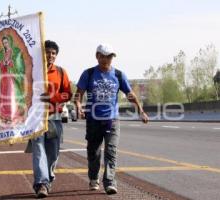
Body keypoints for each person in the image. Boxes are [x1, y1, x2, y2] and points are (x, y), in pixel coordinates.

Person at [74, 44, 149, 195]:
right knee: (93, 152)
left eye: (109, 56)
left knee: (111, 151)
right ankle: (93, 178)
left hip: (112, 119)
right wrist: (78, 106)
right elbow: (78, 94)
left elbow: (130, 94)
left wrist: (140, 111)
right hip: (93, 120)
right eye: (103, 56)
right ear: (97, 56)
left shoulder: (119, 75)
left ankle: (109, 182)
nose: (106, 59)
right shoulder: (88, 74)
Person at [31, 40, 72, 198]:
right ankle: (41, 183)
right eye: (47, 52)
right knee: (39, 150)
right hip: (36, 118)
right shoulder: (33, 71)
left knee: (53, 153)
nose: (50, 55)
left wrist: (52, 97)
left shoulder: (61, 72)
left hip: (54, 117)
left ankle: (48, 178)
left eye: (53, 53)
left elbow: (67, 94)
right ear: (42, 53)